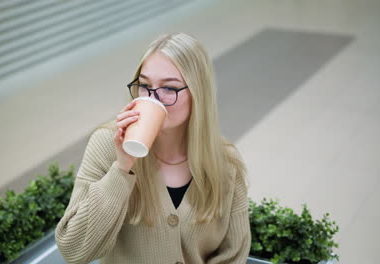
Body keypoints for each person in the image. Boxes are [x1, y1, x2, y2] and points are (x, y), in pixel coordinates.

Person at [55, 32, 251, 264]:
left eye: (169, 88)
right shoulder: (107, 145)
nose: (153, 97)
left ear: (198, 94)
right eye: (145, 85)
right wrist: (122, 168)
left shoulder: (225, 162)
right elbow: (74, 250)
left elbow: (233, 254)